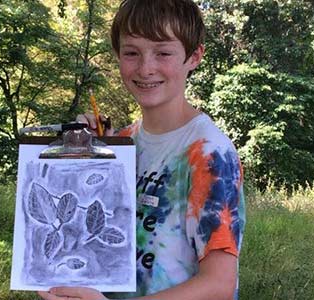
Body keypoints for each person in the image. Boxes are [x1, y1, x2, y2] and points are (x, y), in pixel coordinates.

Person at [38, 0, 246, 299]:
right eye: (131, 53)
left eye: (163, 52)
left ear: (194, 56)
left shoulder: (208, 153)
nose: (146, 68)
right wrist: (91, 157)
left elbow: (219, 285)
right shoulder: (122, 141)